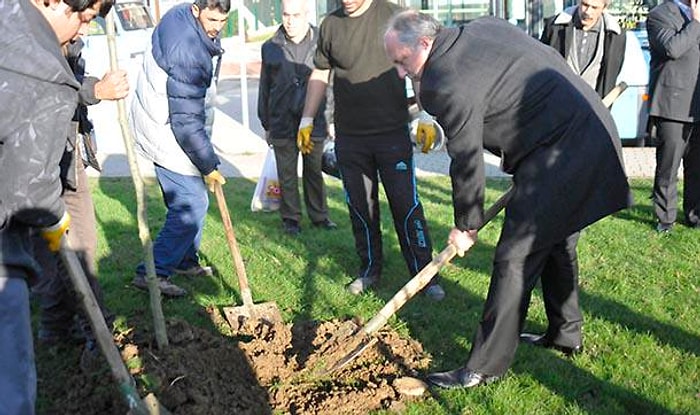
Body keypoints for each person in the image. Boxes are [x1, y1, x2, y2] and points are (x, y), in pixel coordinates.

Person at [383, 11, 631, 388]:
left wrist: (466, 224)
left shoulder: (444, 81)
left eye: (402, 62)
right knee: (555, 238)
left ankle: (482, 367)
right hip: (581, 129)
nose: (401, 73)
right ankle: (565, 333)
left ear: (425, 43)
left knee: (515, 255)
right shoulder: (481, 27)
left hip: (564, 148)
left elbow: (466, 159)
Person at [297, 0, 444, 300]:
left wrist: (427, 115)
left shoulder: (393, 15)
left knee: (406, 205)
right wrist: (307, 118)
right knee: (361, 208)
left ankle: (425, 275)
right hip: (351, 138)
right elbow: (320, 73)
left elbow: (418, 65)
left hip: (392, 134)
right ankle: (369, 270)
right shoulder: (330, 25)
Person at [0, 0, 102, 412]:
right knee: (12, 391)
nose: (81, 31)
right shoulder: (45, 72)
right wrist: (56, 218)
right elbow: (31, 190)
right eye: (85, 17)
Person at [32, 0, 128, 361]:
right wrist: (94, 91)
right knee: (66, 251)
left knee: (74, 248)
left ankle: (64, 329)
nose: (87, 28)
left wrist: (95, 87)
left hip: (68, 157)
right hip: (38, 162)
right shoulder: (28, 36)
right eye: (86, 18)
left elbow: (66, 83)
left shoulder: (68, 39)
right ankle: (87, 332)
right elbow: (47, 90)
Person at [129, 0, 230, 297]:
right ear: (197, 10)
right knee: (191, 203)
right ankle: (152, 272)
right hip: (165, 128)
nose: (217, 28)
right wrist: (208, 163)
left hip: (157, 117)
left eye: (223, 21)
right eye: (212, 20)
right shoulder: (188, 52)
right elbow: (185, 123)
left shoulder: (182, 14)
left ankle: (186, 261)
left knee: (191, 198)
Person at [257, 0, 336, 236]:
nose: (290, 21)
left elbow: (331, 83)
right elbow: (264, 87)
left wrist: (331, 116)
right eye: (286, 15)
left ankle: (320, 216)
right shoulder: (270, 46)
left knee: (314, 171)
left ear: (306, 14)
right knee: (287, 173)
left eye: (295, 15)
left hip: (315, 119)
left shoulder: (321, 42)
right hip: (281, 119)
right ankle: (291, 218)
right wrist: (266, 122)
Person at [646, 0, 700, 233]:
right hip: (673, 105)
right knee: (668, 166)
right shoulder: (660, 14)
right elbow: (672, 48)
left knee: (697, 167)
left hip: (697, 104)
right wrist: (696, 23)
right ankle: (665, 219)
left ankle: (695, 215)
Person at [540, 0, 626, 98]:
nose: (588, 12)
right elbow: (541, 64)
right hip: (557, 101)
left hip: (592, 105)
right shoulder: (555, 27)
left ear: (604, 8)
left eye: (594, 7)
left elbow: (611, 74)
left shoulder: (614, 36)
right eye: (585, 5)